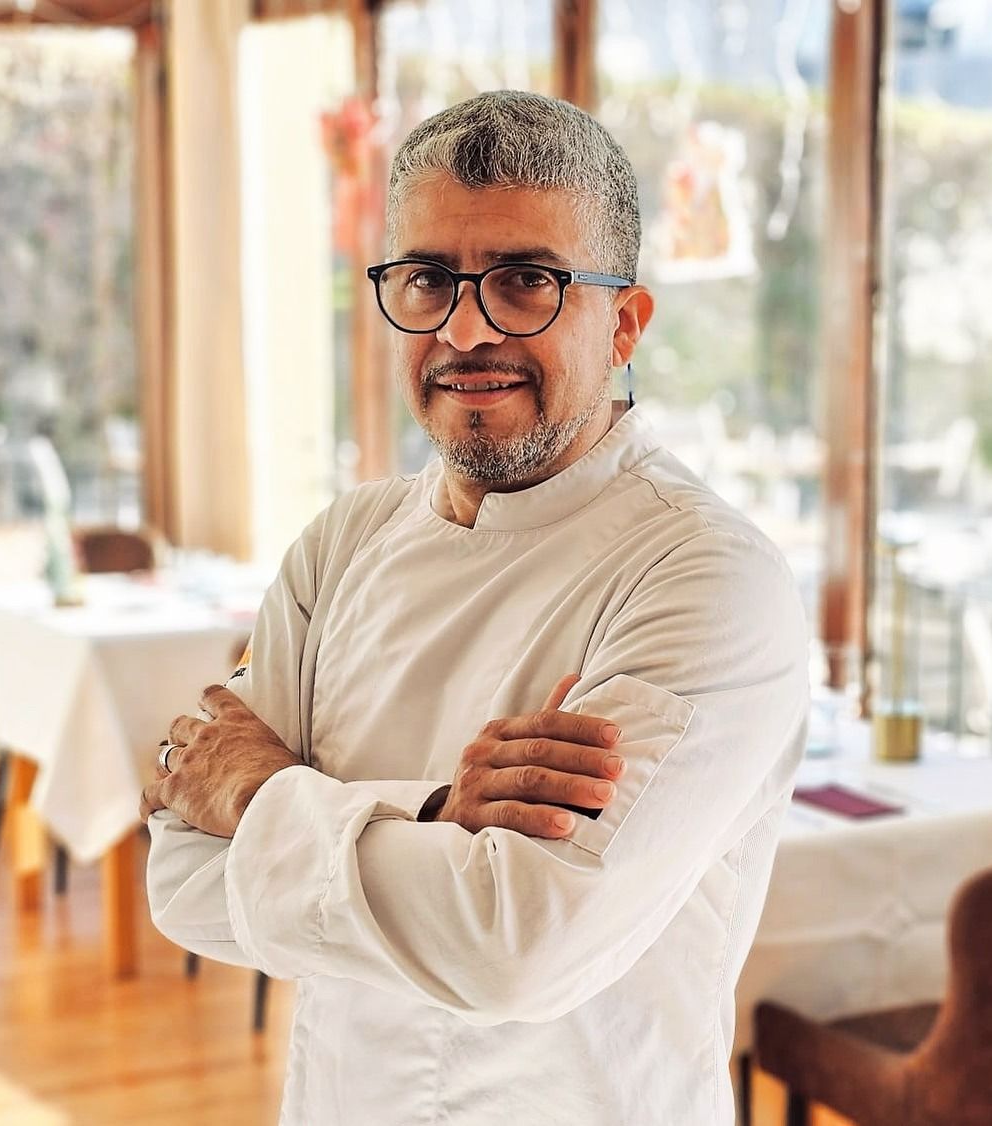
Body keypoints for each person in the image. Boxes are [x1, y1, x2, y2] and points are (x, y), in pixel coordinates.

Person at [141, 90, 808, 1126]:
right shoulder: (341, 544)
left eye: (524, 281)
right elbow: (180, 879)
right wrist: (438, 820)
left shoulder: (705, 574)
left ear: (624, 319)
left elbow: (519, 947)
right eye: (427, 279)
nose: (464, 327)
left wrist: (261, 799)